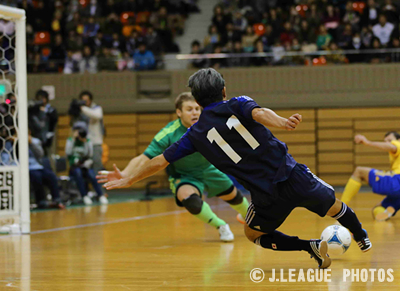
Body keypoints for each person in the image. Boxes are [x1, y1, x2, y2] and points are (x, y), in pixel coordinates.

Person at [104, 68, 371, 269]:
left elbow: (160, 160)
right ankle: (360, 235)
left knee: (253, 234)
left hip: (265, 195)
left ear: (198, 99)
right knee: (334, 207)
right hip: (292, 176)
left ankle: (309, 247)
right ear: (223, 90)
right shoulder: (237, 103)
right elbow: (259, 112)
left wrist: (129, 178)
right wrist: (281, 122)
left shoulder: (194, 134)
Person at [97, 92, 250, 242]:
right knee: (190, 200)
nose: (195, 112)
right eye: (189, 109)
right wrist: (125, 174)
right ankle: (221, 225)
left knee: (234, 197)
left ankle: (251, 218)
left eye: (197, 109)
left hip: (209, 169)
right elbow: (145, 157)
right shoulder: (169, 133)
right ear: (179, 112)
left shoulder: (208, 123)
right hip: (184, 175)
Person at [341, 132, 400, 221]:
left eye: (390, 140)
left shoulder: (397, 144)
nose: (387, 143)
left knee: (359, 171)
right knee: (378, 208)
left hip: (397, 180)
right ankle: (387, 210)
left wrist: (368, 142)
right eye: (385, 141)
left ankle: (341, 208)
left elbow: (392, 147)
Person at [66, 121, 108, 205]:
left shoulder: (87, 140)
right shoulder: (70, 140)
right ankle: (84, 195)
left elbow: (89, 154)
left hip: (85, 165)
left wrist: (84, 141)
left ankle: (100, 195)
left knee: (92, 174)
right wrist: (74, 140)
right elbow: (68, 153)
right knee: (78, 173)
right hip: (75, 167)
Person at [29, 130, 65, 209]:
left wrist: (31, 143)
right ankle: (41, 201)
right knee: (36, 176)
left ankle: (57, 200)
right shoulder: (14, 142)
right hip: (27, 168)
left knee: (51, 175)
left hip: (38, 166)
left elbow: (40, 154)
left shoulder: (35, 141)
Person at [78, 90, 104, 174]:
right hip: (84, 144)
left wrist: (82, 108)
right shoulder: (80, 112)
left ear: (91, 100)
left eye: (87, 100)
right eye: (83, 100)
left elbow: (97, 116)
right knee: (83, 169)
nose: (85, 102)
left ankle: (101, 187)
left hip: (95, 143)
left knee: (98, 168)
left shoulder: (97, 108)